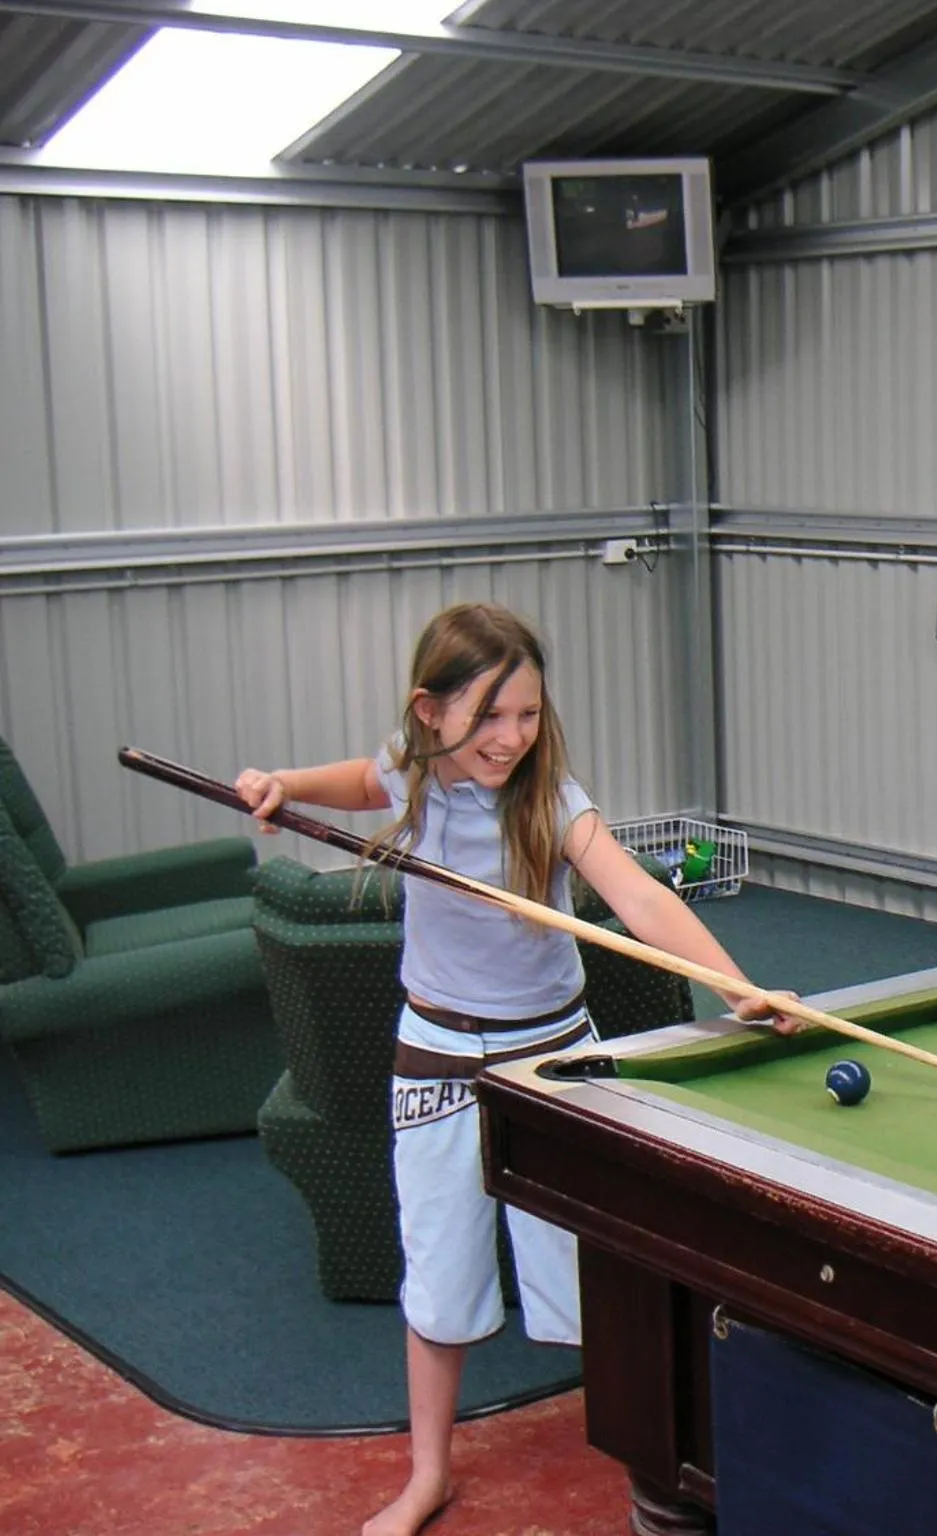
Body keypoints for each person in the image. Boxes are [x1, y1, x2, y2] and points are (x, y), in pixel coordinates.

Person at [235, 601, 789, 1536]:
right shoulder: (405, 780)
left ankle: (652, 1471)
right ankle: (426, 1477)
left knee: (590, 1275)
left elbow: (635, 896)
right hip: (438, 1055)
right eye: (488, 716)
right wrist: (282, 783)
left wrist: (732, 984)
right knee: (440, 1269)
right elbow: (356, 782)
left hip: (552, 1057)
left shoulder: (553, 799)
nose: (510, 737)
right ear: (428, 709)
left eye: (526, 715)